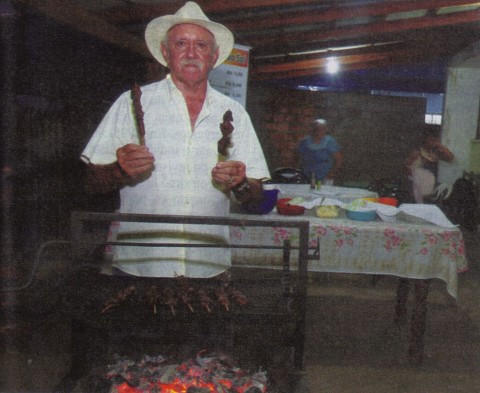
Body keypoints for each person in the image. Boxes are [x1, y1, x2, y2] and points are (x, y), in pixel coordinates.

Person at [81, 1, 270, 278]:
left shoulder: (236, 114)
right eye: (181, 44)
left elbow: (257, 200)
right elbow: (89, 183)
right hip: (140, 265)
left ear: (215, 56)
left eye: (201, 45)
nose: (191, 53)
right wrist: (119, 171)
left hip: (209, 267)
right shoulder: (131, 104)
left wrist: (241, 184)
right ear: (165, 52)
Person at [405, 125, 454, 203]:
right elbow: (407, 167)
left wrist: (439, 144)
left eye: (435, 140)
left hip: (430, 186)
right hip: (417, 187)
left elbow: (450, 157)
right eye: (431, 140)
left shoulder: (434, 152)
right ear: (425, 140)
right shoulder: (417, 152)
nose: (433, 142)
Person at [297, 118, 343, 184]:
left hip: (325, 175)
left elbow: (339, 159)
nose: (319, 131)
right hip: (307, 175)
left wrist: (332, 172)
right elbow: (298, 157)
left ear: (326, 130)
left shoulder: (330, 141)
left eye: (322, 129)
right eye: (316, 128)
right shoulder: (305, 141)